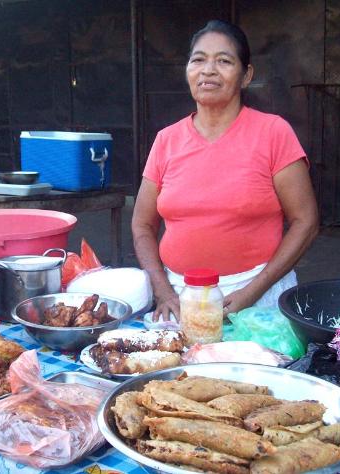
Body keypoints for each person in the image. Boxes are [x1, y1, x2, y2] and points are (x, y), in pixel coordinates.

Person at [131, 20, 319, 322]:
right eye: (198, 60)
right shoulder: (166, 140)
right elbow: (142, 224)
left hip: (257, 298)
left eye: (224, 61)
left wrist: (251, 293)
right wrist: (162, 291)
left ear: (246, 75)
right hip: (179, 298)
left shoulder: (273, 133)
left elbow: (305, 222)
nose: (208, 70)